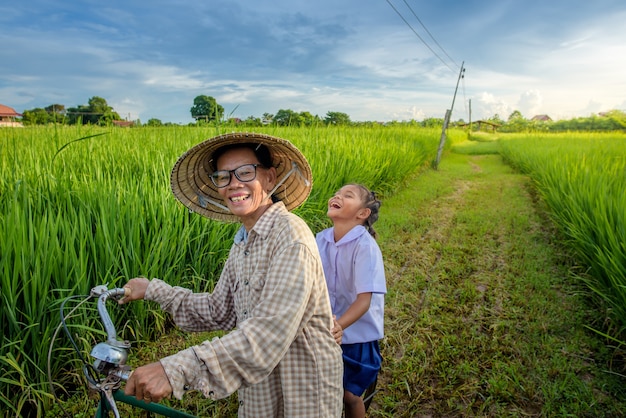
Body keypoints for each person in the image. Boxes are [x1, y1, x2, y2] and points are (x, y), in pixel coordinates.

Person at [119, 132, 343, 417]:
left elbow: (267, 333)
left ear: (270, 179)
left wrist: (175, 368)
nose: (234, 183)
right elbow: (218, 309)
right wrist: (153, 289)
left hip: (302, 385)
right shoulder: (243, 242)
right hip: (260, 385)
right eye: (224, 176)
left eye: (246, 172)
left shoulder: (291, 236)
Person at [316, 184, 386, 418]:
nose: (337, 196)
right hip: (325, 329)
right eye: (336, 193)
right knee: (323, 390)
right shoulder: (319, 240)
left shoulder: (365, 246)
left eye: (348, 195)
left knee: (349, 395)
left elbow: (364, 300)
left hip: (355, 334)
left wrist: (339, 326)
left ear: (362, 213)